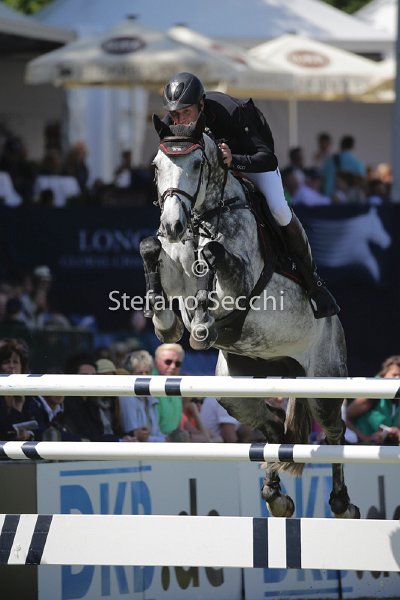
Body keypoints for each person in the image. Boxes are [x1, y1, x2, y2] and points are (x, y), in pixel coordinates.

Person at [162, 72, 338, 318]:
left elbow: (267, 158)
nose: (179, 121)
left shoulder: (231, 111)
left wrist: (233, 160)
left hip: (250, 161)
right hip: (211, 175)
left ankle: (313, 281)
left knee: (279, 209)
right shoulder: (171, 121)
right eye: (175, 114)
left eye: (186, 113)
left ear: (201, 105)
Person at [345, 356, 400, 445]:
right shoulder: (372, 394)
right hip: (362, 450)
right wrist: (366, 439)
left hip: (388, 450)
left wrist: (397, 432)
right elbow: (345, 419)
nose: (398, 379)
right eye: (394, 375)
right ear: (384, 375)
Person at [119, 350, 166, 442]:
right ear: (130, 375)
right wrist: (166, 441)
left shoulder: (151, 398)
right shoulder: (126, 398)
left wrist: (169, 440)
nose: (145, 377)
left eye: (147, 372)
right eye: (140, 373)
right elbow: (135, 436)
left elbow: (156, 433)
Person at [153, 343, 184, 436]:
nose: (173, 366)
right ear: (156, 362)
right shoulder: (147, 383)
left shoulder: (178, 385)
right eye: (168, 362)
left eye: (178, 363)